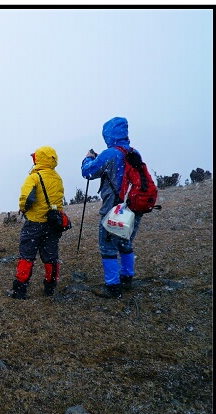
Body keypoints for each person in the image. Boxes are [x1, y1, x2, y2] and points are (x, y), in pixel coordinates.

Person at [81, 116, 143, 299]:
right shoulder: (134, 151)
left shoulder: (110, 154)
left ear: (108, 135)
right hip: (134, 206)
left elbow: (88, 172)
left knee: (107, 246)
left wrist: (87, 159)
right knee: (125, 242)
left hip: (114, 208)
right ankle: (127, 278)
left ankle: (113, 286)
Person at [8, 146, 65, 299]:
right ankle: (50, 286)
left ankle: (20, 289)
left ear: (38, 159)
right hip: (53, 224)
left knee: (26, 256)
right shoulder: (57, 177)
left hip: (34, 223)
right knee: (51, 256)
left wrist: (23, 209)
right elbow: (59, 201)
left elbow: (25, 199)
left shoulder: (34, 177)